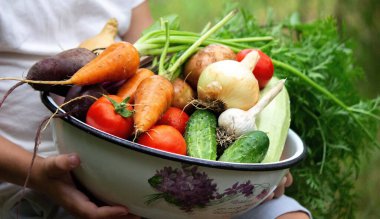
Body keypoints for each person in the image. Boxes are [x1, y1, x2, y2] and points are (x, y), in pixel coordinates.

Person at [0, 1, 311, 218]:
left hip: (142, 166)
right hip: (35, 178)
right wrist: (39, 174)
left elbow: (149, 52)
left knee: (291, 215)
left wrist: (263, 172)